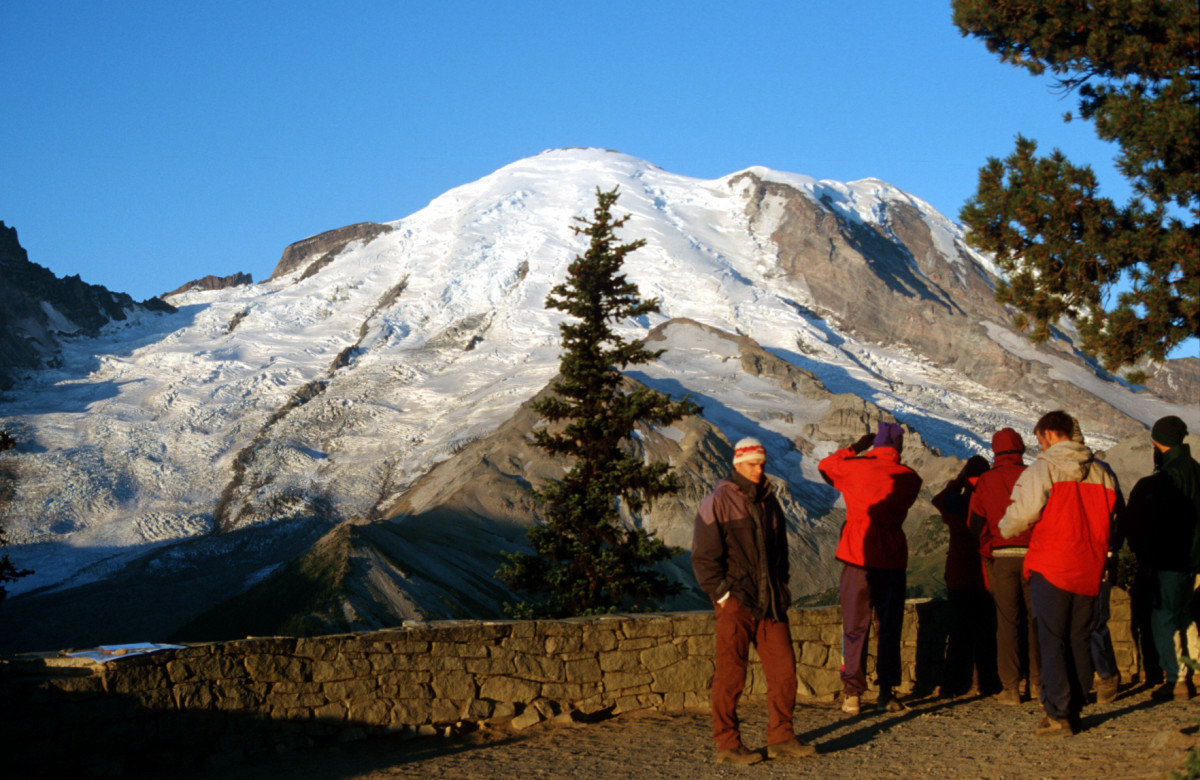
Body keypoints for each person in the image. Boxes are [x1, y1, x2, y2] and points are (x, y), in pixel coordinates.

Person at [692, 436, 817, 765]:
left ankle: (782, 737)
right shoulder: (717, 501)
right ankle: (728, 744)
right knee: (731, 676)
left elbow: (782, 554)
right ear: (737, 465)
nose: (759, 469)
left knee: (784, 672)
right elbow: (704, 558)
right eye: (752, 464)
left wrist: (783, 588)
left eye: (761, 464)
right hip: (737, 602)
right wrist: (722, 596)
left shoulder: (771, 502)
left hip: (772, 602)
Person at [998, 411, 1120, 737]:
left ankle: (1057, 711)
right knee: (1080, 637)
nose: (1039, 444)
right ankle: (1076, 708)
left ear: (1050, 434)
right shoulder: (1103, 472)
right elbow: (1114, 514)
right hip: (1089, 565)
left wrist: (1005, 528)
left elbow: (1019, 516)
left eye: (1040, 438)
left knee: (1051, 639)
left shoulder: (1043, 469)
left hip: (1051, 564)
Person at [819, 421, 923, 715]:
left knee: (854, 628)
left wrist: (855, 448)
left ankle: (852, 694)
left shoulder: (855, 467)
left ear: (875, 444)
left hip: (857, 557)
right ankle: (886, 693)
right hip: (891, 560)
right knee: (888, 629)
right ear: (899, 449)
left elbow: (826, 466)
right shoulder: (909, 478)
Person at [1123, 416, 1200, 701]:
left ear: (1159, 442)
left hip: (1169, 559)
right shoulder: (1195, 470)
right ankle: (1196, 670)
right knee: (1186, 615)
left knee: (1164, 618)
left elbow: (1153, 524)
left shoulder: (1165, 478)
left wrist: (1148, 559)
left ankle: (1176, 678)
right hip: (1193, 560)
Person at [968, 428, 1038, 705]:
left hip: (1002, 556)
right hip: (1035, 556)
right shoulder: (1034, 475)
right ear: (1019, 447)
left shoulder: (986, 480)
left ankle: (1010, 688)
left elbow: (975, 524)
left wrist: (990, 550)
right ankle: (1039, 682)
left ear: (995, 450)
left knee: (1007, 623)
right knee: (1037, 620)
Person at [933, 455, 998, 698]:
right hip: (986, 573)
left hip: (959, 572)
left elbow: (936, 500)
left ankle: (954, 685)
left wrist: (957, 482)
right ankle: (988, 683)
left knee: (958, 632)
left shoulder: (955, 502)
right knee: (987, 631)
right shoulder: (989, 500)